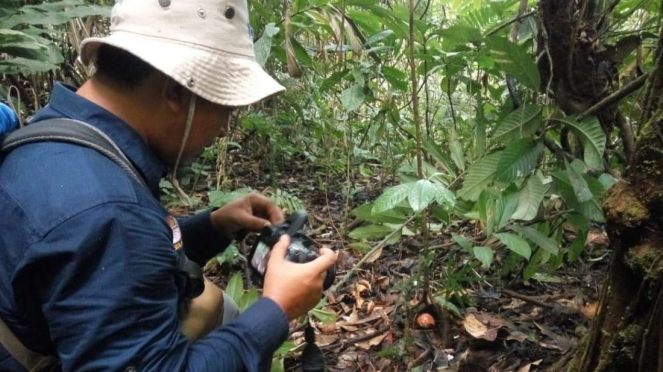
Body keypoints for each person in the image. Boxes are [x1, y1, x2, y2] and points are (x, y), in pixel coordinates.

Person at [0, 0, 337, 371]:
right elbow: (115, 242)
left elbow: (106, 268)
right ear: (175, 92)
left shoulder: (54, 139)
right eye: (224, 107)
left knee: (212, 305)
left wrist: (212, 227)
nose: (225, 129)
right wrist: (276, 309)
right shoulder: (109, 211)